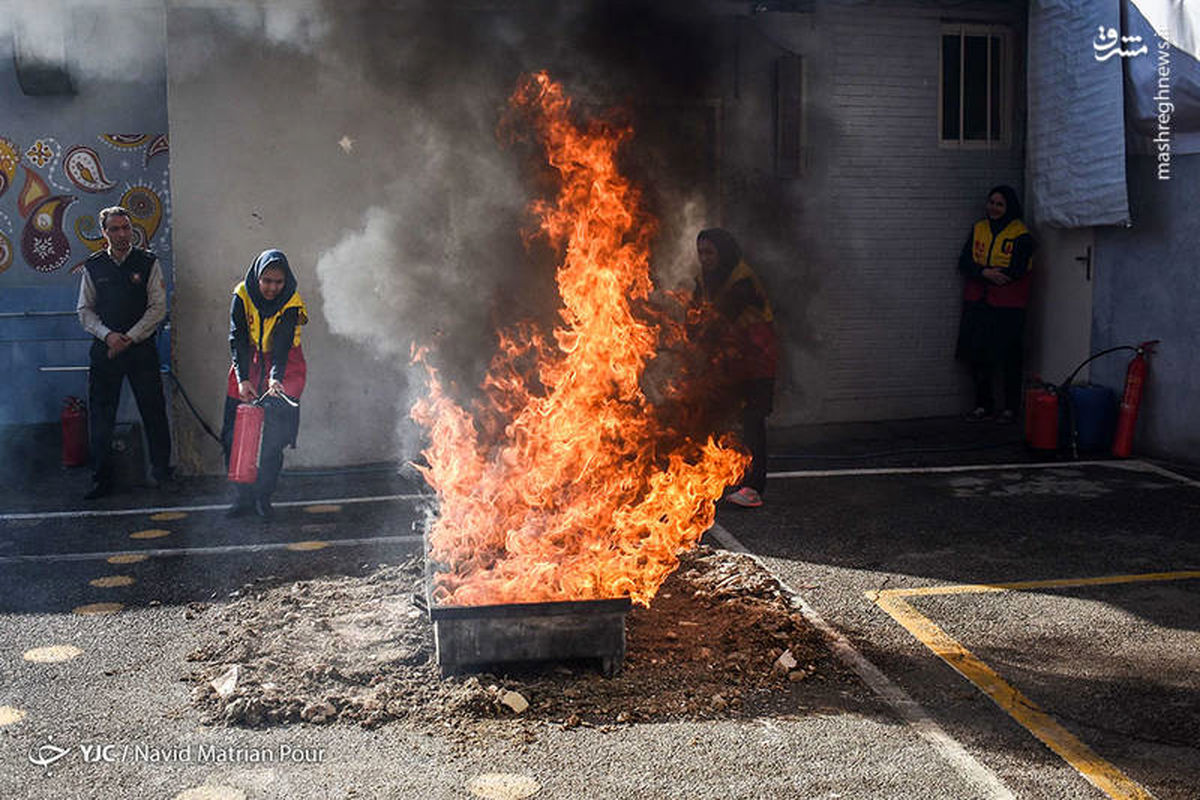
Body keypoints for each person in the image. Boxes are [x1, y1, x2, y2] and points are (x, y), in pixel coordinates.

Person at [76, 206, 173, 499]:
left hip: (140, 348)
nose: (122, 234)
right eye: (115, 229)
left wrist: (129, 338)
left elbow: (158, 307)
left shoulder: (147, 262)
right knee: (102, 414)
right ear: (104, 233)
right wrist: (109, 336)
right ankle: (102, 478)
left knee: (153, 410)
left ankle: (162, 473)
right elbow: (84, 310)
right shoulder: (93, 267)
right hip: (106, 350)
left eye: (126, 228)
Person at [694, 228, 779, 508]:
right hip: (731, 357)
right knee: (713, 411)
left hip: (757, 357)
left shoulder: (741, 280)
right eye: (700, 252)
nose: (704, 258)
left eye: (709, 252)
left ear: (723, 253)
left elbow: (719, 319)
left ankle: (753, 488)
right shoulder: (705, 279)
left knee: (752, 420)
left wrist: (696, 339)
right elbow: (696, 316)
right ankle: (711, 475)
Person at [221, 249, 308, 520]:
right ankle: (242, 497)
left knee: (273, 439)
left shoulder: (292, 301)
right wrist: (243, 378)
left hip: (284, 367)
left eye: (278, 282)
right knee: (233, 436)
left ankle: (263, 497)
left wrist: (275, 379)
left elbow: (282, 346)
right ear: (257, 277)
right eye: (266, 281)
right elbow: (237, 338)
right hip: (248, 363)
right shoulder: (242, 294)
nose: (272, 288)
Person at [955, 185, 1036, 424]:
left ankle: (1010, 407)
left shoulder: (1021, 234)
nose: (994, 208)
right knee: (978, 356)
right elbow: (964, 261)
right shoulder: (978, 228)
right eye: (991, 202)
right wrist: (984, 273)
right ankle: (983, 405)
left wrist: (994, 275)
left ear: (1009, 207)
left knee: (1009, 356)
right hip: (978, 302)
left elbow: (1018, 269)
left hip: (1008, 306)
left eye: (999, 204)